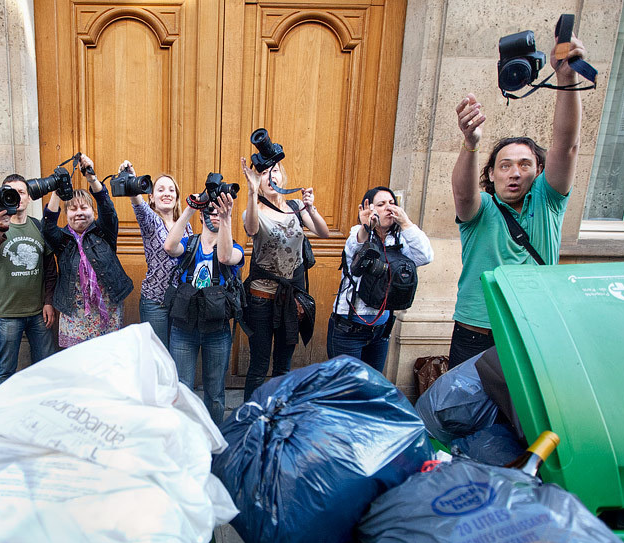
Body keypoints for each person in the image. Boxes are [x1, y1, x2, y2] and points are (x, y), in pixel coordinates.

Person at [449, 24, 587, 368]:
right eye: (505, 165)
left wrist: (567, 79)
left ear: (538, 171)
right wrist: (470, 143)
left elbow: (566, 144)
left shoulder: (548, 201)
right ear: (491, 174)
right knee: (464, 421)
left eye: (525, 165)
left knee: (526, 421)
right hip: (476, 333)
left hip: (534, 329)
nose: (514, 172)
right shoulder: (482, 210)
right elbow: (463, 193)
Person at [240, 158, 330, 401]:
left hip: (290, 300)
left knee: (283, 365)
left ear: (283, 176)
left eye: (275, 171)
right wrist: (250, 191)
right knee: (259, 366)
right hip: (261, 299)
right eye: (264, 173)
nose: (271, 177)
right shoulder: (253, 209)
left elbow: (324, 233)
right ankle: (252, 418)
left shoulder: (296, 206)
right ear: (257, 181)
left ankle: (279, 416)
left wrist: (311, 208)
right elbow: (250, 229)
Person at [328, 187, 433, 372]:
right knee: (346, 390)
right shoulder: (357, 232)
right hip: (349, 329)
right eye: (381, 204)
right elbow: (355, 248)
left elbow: (425, 256)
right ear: (370, 209)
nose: (388, 208)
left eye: (392, 203)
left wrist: (406, 223)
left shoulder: (401, 239)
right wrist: (366, 227)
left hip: (380, 331)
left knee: (371, 390)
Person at [0, 174, 59, 387]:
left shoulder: (38, 227)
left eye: (21, 192)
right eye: (10, 192)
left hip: (38, 313)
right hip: (7, 314)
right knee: (5, 371)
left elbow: (49, 269)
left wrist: (48, 301)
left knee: (45, 366)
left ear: (29, 198)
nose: (17, 197)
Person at [164, 193, 245, 424]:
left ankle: (214, 441)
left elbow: (226, 256)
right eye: (210, 211)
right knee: (182, 389)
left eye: (219, 211)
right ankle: (185, 439)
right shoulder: (189, 245)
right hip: (183, 327)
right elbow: (169, 246)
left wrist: (226, 218)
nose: (215, 215)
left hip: (217, 330)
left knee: (216, 393)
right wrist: (190, 208)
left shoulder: (234, 246)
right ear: (202, 216)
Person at [41, 153, 133, 348]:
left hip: (106, 309)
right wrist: (58, 191)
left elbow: (108, 209)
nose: (79, 213)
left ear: (93, 211)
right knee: (78, 363)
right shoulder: (62, 240)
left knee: (107, 358)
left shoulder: (103, 232)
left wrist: (91, 177)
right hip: (74, 312)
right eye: (73, 209)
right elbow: (47, 227)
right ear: (66, 214)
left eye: (84, 207)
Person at [117, 160, 192, 348]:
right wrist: (131, 179)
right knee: (158, 356)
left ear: (176, 197)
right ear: (151, 197)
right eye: (160, 190)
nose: (166, 193)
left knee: (178, 356)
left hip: (182, 302)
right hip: (155, 302)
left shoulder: (186, 224)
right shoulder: (151, 221)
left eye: (171, 190)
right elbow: (137, 202)